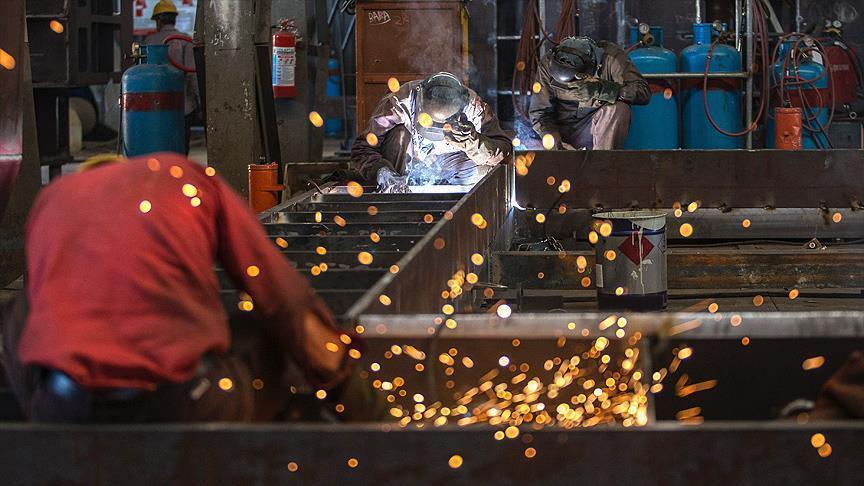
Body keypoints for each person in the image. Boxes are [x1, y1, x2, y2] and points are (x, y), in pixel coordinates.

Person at [0, 153, 378, 423]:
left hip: (66, 407)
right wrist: (347, 387)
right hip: (181, 404)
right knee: (262, 340)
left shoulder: (54, 199)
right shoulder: (184, 177)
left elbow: (22, 329)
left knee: (25, 314)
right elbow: (281, 296)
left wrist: (41, 410)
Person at [352, 72, 512, 193]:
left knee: (486, 171)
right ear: (419, 99)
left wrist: (474, 143)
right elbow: (362, 148)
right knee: (399, 134)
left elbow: (505, 153)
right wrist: (381, 171)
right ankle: (395, 192)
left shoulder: (475, 108)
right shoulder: (399, 103)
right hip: (405, 163)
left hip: (448, 164)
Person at [529, 36, 650, 150]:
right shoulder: (548, 63)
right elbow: (540, 113)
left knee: (619, 109)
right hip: (562, 132)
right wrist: (553, 140)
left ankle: (601, 162)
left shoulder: (611, 58)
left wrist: (602, 89)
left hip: (596, 130)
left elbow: (643, 92)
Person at [145, 0, 200, 154]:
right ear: (174, 19)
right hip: (183, 107)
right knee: (180, 147)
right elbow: (192, 74)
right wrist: (199, 103)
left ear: (158, 21)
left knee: (158, 146)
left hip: (155, 107)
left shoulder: (149, 41)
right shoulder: (184, 40)